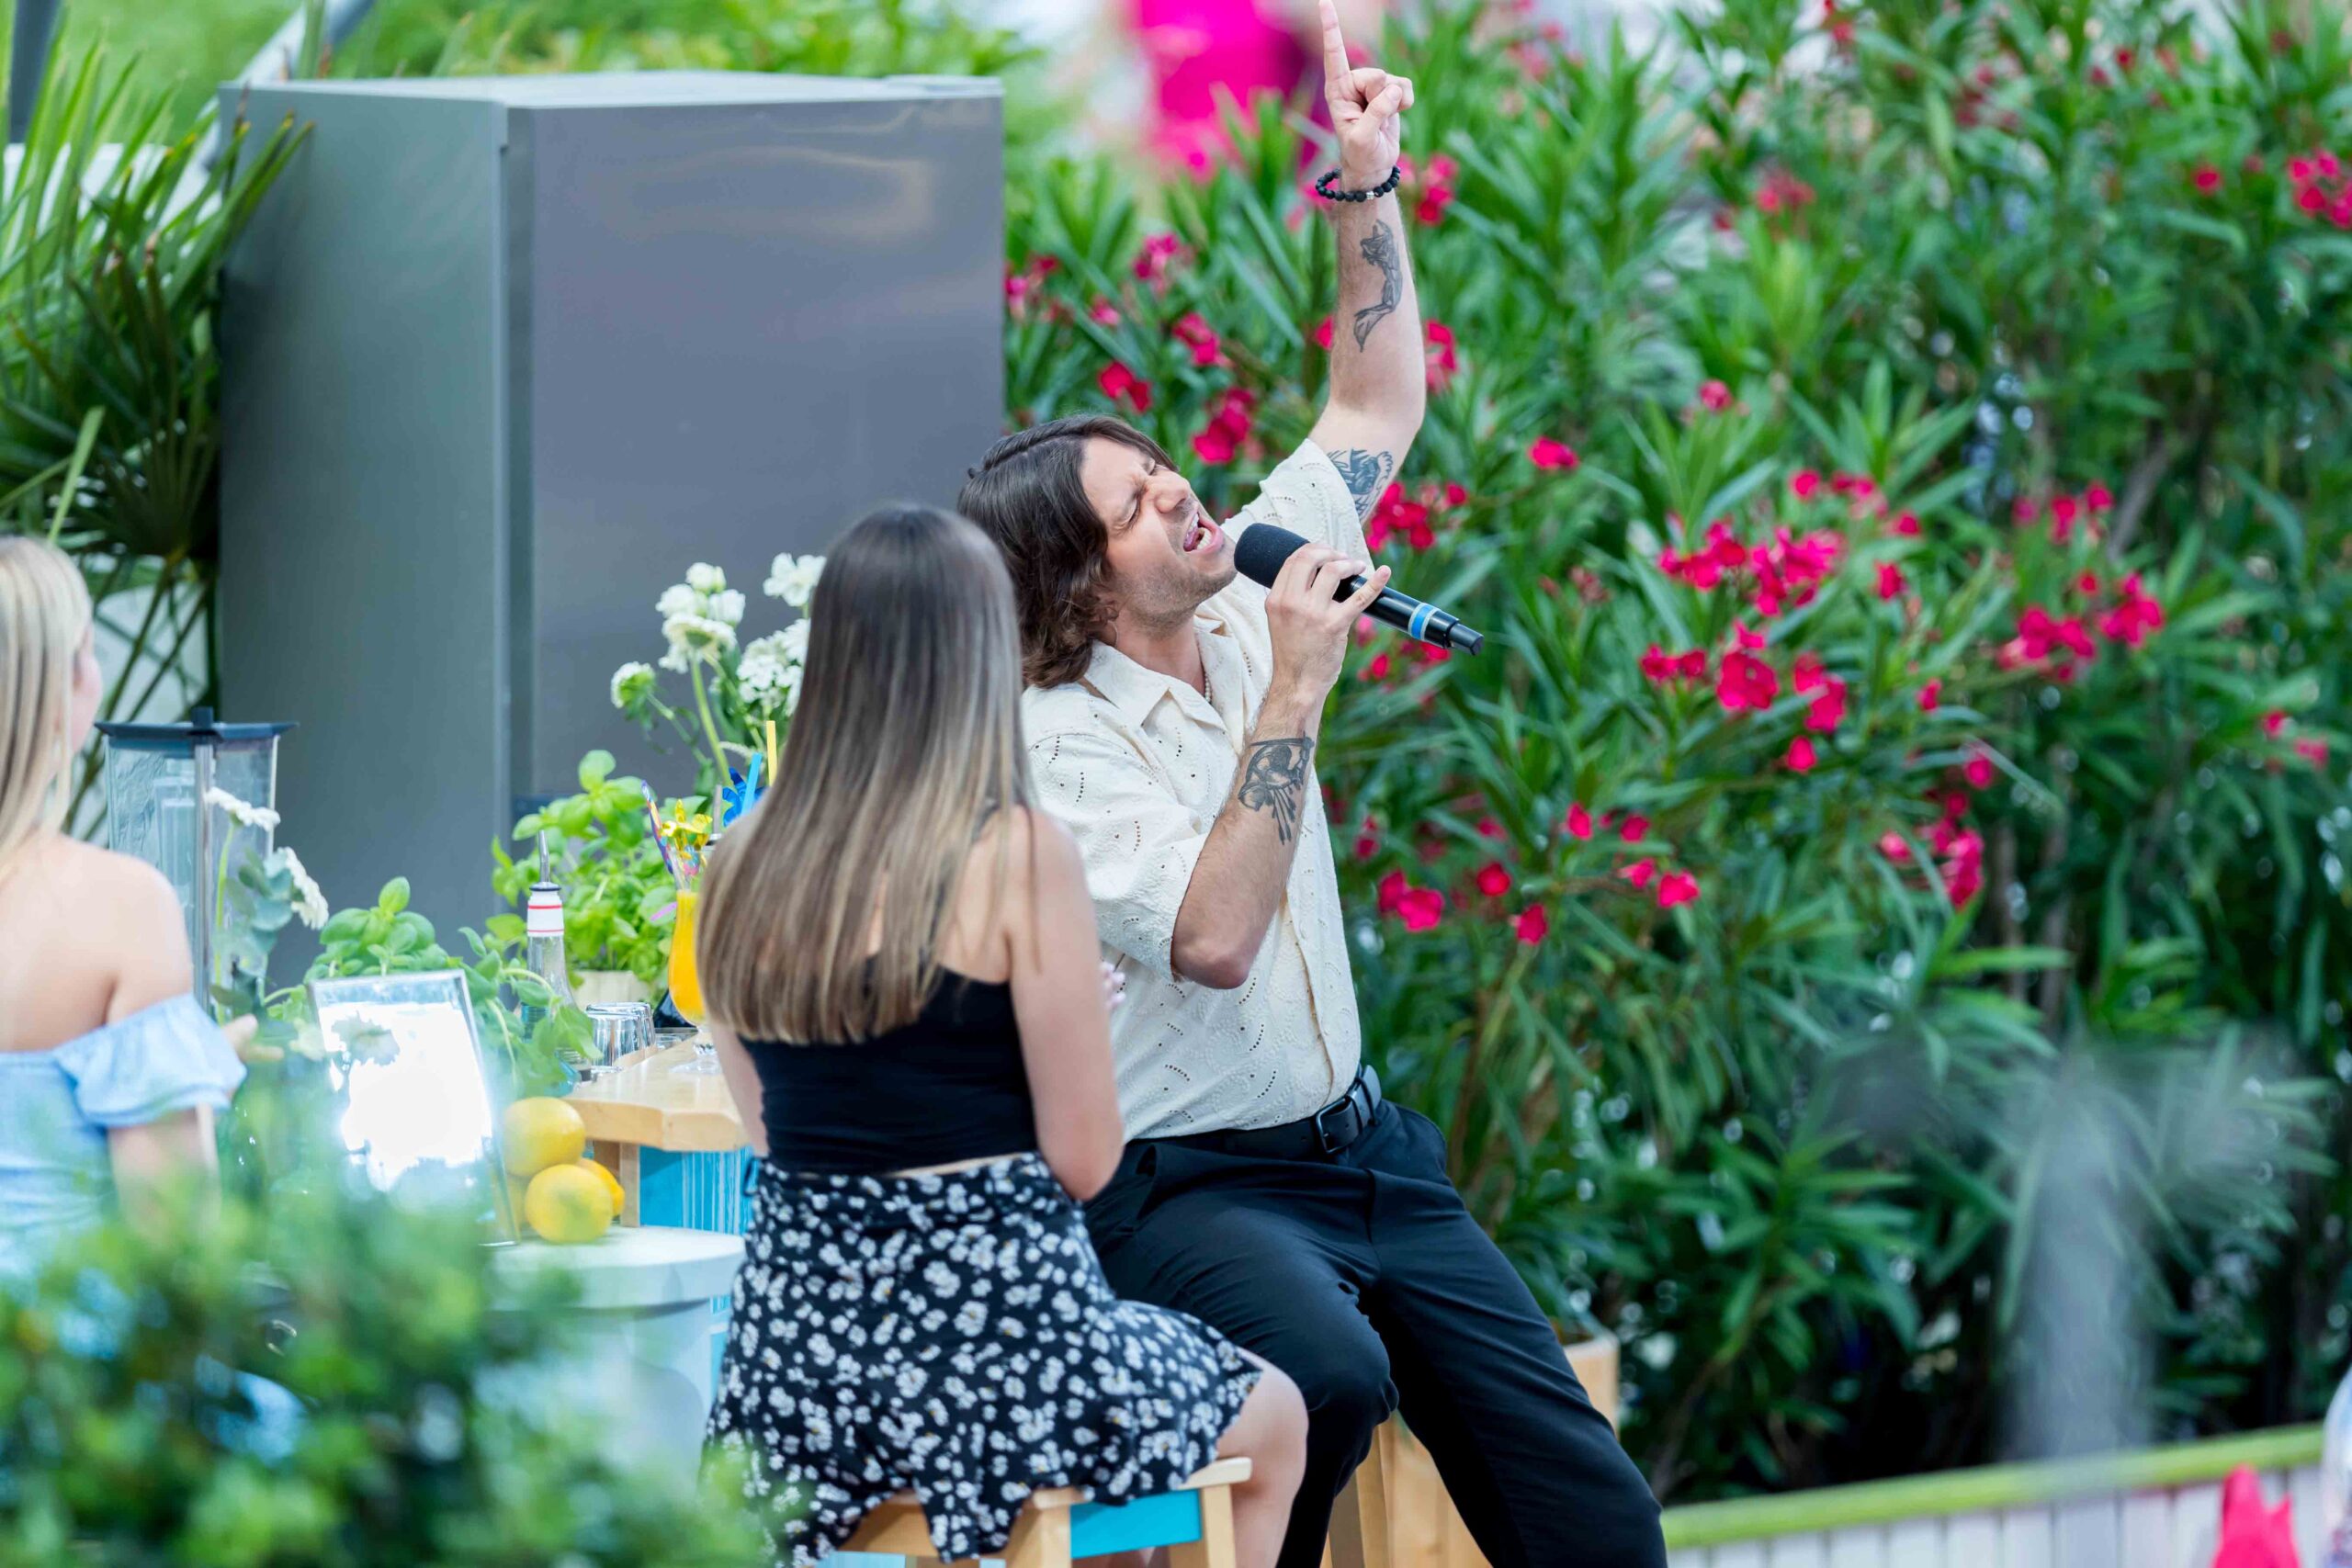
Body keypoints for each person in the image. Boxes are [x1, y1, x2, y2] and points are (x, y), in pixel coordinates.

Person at [955, 9, 1668, 1566]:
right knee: (1326, 1379)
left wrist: (1365, 183)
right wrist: (1294, 689)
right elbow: (1213, 939)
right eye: (1139, 505)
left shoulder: (1238, 580)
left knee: (1596, 1516)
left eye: (1162, 467)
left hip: (1362, 1147)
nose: (1183, 494)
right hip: (1187, 1189)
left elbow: (1371, 405)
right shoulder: (1052, 743)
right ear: (1077, 588)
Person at [696, 504, 1308, 1568]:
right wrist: (1053, 1039)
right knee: (1274, 1416)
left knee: (1120, 1459)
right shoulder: (1018, 853)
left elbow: (774, 1138)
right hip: (1000, 1356)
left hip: (796, 1382)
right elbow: (1082, 1164)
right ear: (982, 652)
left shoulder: (737, 861)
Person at [0, 537, 251, 1287]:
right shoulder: (121, 907)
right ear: (65, 685)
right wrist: (199, 1091)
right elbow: (176, 1257)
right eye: (89, 650)